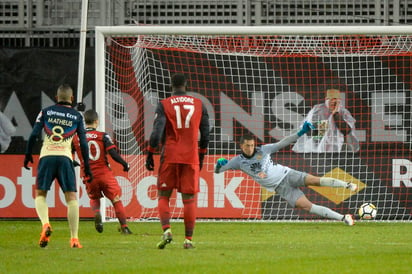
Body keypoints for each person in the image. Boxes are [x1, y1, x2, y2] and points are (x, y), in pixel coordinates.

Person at [215, 121, 357, 225]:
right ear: (241, 146)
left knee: (315, 180)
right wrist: (218, 166)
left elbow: (283, 142)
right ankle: (343, 218)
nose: (250, 148)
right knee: (308, 206)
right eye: (247, 146)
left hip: (287, 174)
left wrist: (301, 132)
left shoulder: (263, 150)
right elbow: (219, 171)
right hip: (281, 188)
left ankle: (347, 185)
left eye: (252, 145)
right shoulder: (237, 162)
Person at [145, 73, 210, 249]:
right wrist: (201, 155)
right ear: (186, 85)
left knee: (163, 195)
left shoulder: (164, 104)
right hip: (191, 157)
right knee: (189, 199)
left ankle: (166, 230)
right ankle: (188, 240)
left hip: (170, 156)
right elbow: (206, 134)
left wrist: (150, 153)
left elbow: (157, 132)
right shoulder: (199, 104)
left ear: (171, 86)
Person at [24, 84, 92, 248]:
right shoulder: (77, 116)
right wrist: (87, 166)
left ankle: (46, 224)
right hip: (65, 157)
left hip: (47, 156)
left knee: (40, 195)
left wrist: (27, 154)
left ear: (56, 98)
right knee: (71, 198)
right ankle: (74, 239)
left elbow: (34, 134)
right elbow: (83, 142)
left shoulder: (46, 112)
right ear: (72, 99)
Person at [73, 109, 132, 235]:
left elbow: (67, 151)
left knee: (94, 197)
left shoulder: (77, 137)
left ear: (85, 122)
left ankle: (97, 213)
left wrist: (72, 161)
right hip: (104, 173)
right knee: (116, 199)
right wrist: (124, 164)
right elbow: (112, 153)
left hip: (88, 174)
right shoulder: (102, 136)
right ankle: (124, 227)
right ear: (96, 121)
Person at [292, 89, 359, 153]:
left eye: (334, 99)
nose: (331, 101)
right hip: (316, 150)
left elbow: (346, 130)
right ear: (325, 99)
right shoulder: (317, 110)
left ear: (339, 100)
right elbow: (311, 132)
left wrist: (335, 114)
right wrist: (328, 125)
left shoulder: (344, 112)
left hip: (338, 150)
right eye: (329, 99)